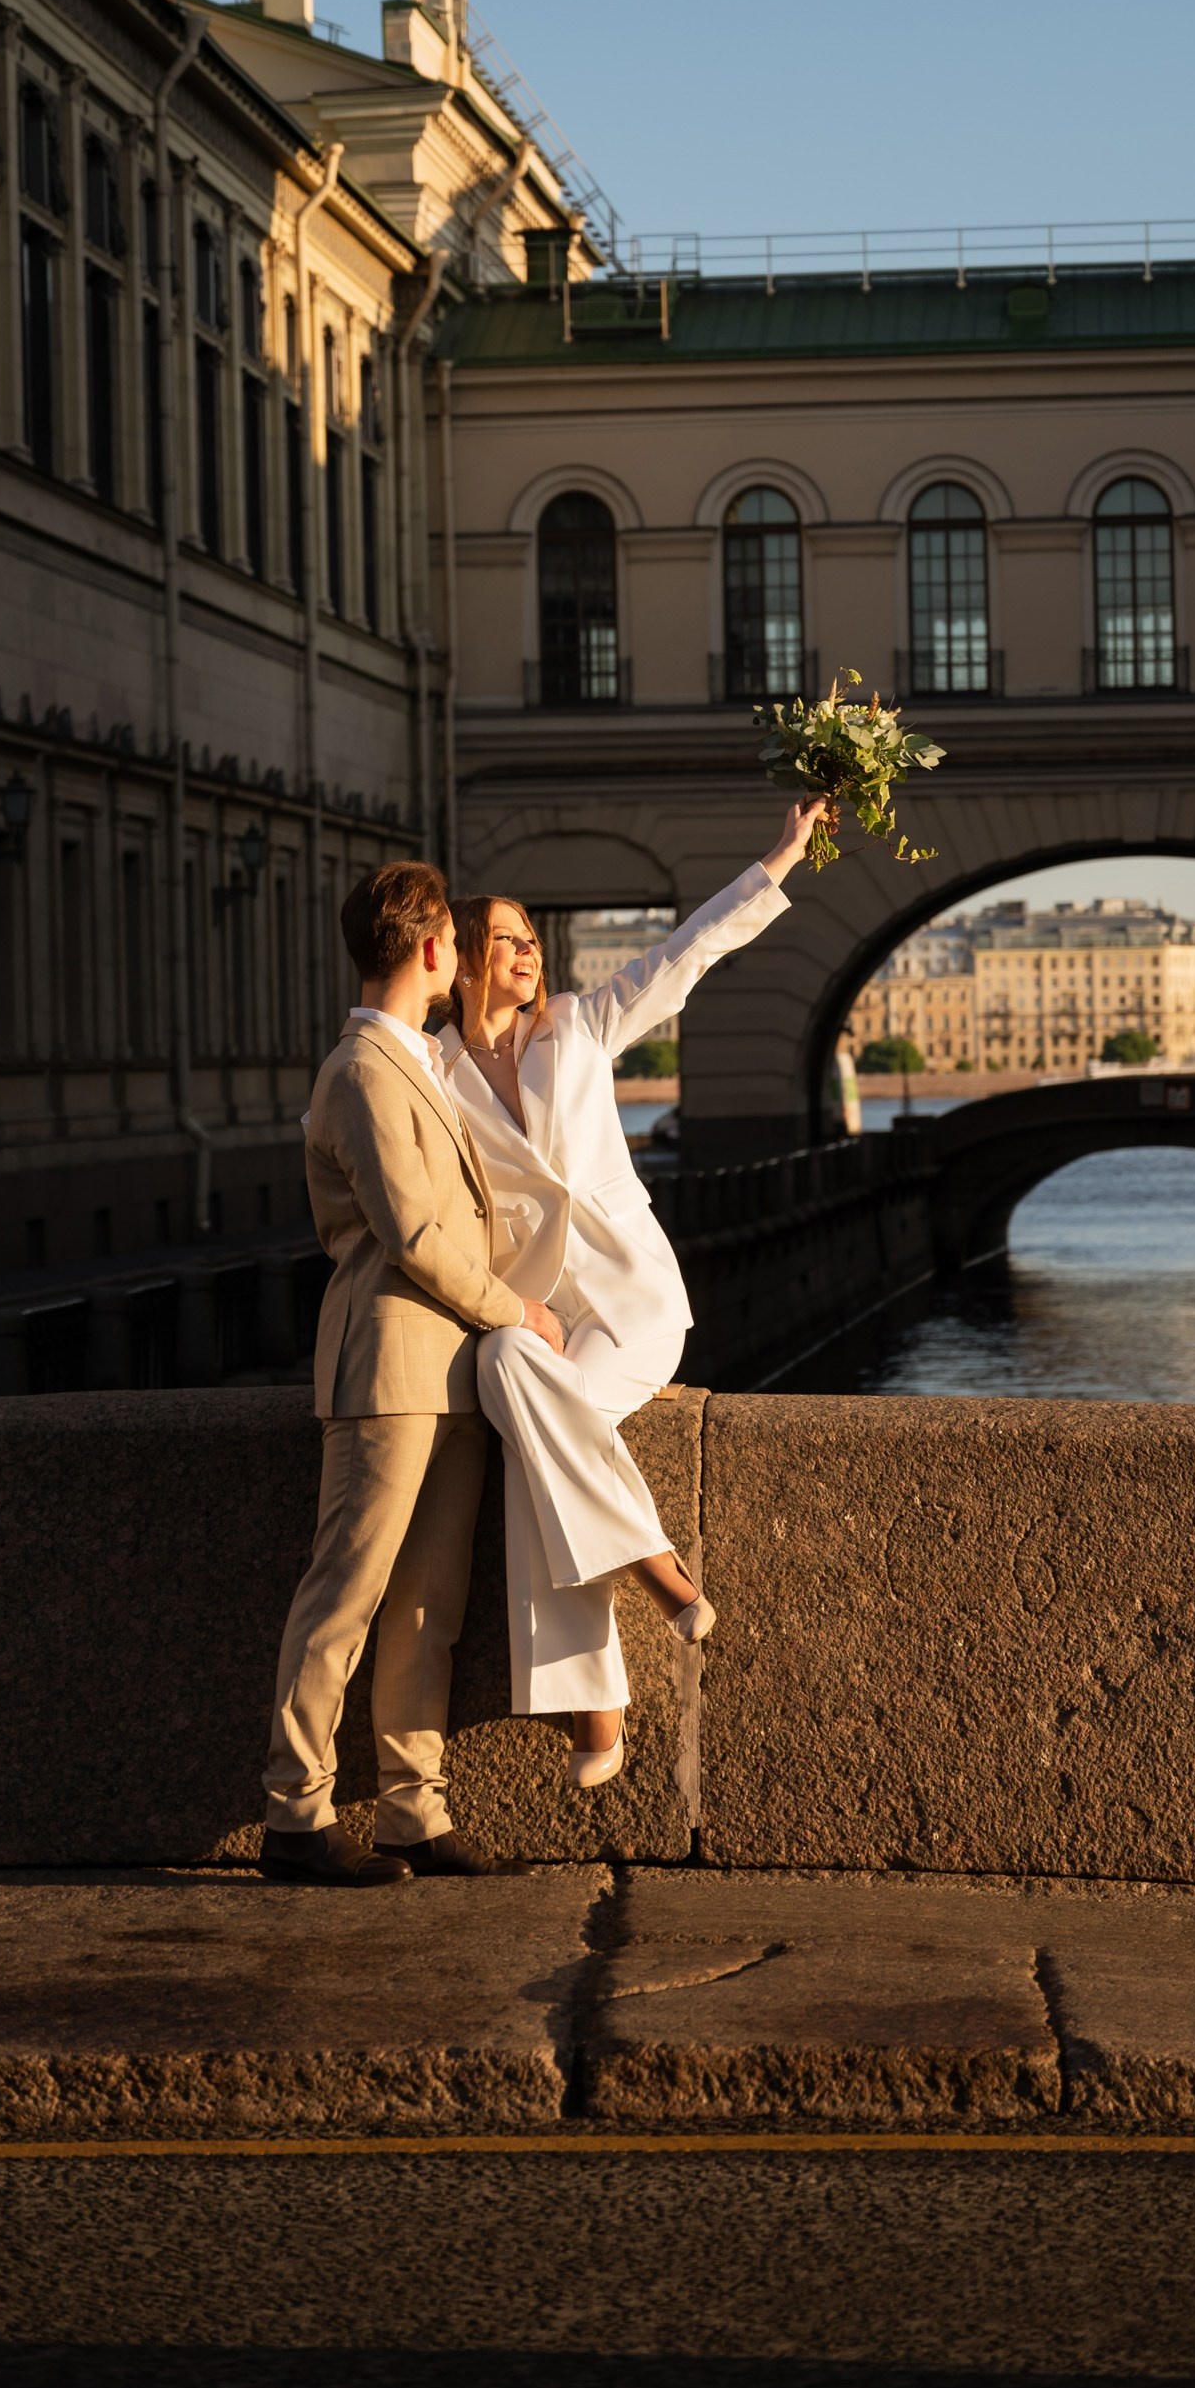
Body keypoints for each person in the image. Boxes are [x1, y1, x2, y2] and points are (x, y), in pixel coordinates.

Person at [441, 801, 826, 1788]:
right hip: (541, 1313)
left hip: (633, 1296)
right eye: (504, 939)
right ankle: (653, 1568)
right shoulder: (434, 1072)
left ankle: (595, 1709)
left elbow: (682, 956)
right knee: (501, 1361)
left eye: (531, 937)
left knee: (535, 1448)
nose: (526, 953)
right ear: (460, 958)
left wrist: (777, 857)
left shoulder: (575, 1022)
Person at [260, 859, 566, 1883]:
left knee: (427, 1606)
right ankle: (294, 1813)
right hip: (389, 1363)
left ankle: (411, 1810)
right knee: (343, 1594)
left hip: (448, 1370)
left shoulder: (417, 1064)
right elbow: (417, 1234)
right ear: (433, 947)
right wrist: (514, 1309)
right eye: (456, 940)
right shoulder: (360, 1069)